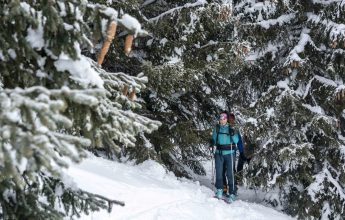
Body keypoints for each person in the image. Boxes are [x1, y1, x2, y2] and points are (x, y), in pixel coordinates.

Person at [210, 111, 243, 203]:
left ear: (227, 119)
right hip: (219, 153)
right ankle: (219, 191)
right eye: (220, 118)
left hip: (230, 153)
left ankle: (232, 193)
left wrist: (233, 133)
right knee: (219, 172)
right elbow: (214, 138)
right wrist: (211, 142)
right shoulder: (217, 128)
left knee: (230, 174)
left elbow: (236, 140)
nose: (222, 120)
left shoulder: (232, 128)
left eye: (224, 118)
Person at [222, 113, 244, 195]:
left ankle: (233, 189)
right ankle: (224, 189)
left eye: (232, 119)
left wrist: (241, 152)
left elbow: (239, 141)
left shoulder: (235, 129)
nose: (231, 120)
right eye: (229, 119)